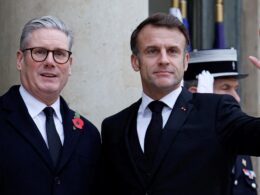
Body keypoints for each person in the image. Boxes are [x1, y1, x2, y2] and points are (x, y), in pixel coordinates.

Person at [101, 12, 260, 195]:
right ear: (135, 61)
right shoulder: (114, 127)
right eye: (152, 51)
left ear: (185, 61)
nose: (163, 60)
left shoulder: (216, 111)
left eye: (172, 51)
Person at [0, 16, 101, 195]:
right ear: (19, 60)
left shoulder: (89, 134)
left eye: (60, 54)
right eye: (39, 52)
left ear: (69, 65)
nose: (50, 62)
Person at [184, 48, 257, 195]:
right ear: (196, 93)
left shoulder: (235, 133)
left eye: (235, 88)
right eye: (225, 88)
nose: (236, 98)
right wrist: (204, 110)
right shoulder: (180, 140)